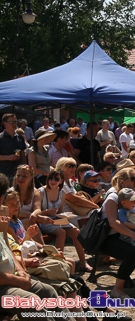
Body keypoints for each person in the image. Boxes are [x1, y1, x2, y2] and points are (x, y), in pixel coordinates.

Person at [0, 174, 77, 321]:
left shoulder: (2, 221)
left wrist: (21, 271)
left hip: (13, 277)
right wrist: (17, 279)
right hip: (4, 284)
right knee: (32, 302)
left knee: (48, 292)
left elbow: (8, 250)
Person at [37, 169, 92, 272]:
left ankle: (83, 262)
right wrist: (47, 212)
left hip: (57, 220)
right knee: (61, 232)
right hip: (44, 220)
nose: (53, 181)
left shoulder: (61, 192)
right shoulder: (40, 192)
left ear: (61, 181)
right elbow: (36, 212)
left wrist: (65, 216)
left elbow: (60, 211)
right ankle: (58, 263)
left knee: (76, 232)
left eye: (56, 179)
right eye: (51, 178)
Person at [0, 113, 27, 181]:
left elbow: (23, 155)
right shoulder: (1, 138)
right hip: (3, 173)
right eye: (12, 122)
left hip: (18, 173)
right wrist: (8, 157)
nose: (14, 124)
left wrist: (25, 169)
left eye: (15, 122)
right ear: (5, 123)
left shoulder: (20, 138)